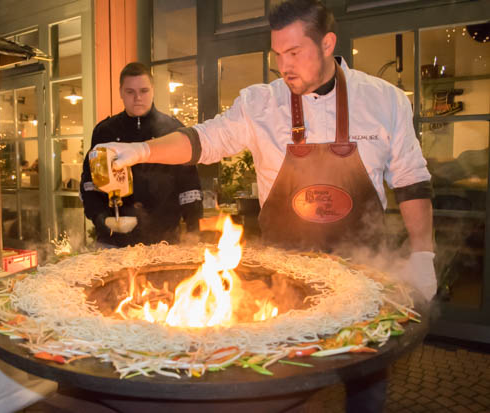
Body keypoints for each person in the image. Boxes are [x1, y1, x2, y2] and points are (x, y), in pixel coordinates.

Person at [95, 1, 436, 411]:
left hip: (361, 273)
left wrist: (423, 254)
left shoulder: (384, 101)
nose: (284, 65)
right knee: (280, 381)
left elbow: (412, 182)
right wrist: (141, 150)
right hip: (284, 275)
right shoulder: (261, 104)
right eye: (278, 54)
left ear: (328, 44)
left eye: (295, 53)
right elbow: (203, 141)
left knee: (364, 381)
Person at [80, 62, 203, 247]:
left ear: (153, 90)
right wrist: (99, 218)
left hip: (165, 241)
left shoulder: (174, 130)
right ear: (121, 92)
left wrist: (194, 234)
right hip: (114, 242)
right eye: (130, 92)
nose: (138, 97)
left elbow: (189, 187)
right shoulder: (104, 132)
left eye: (144, 91)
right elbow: (89, 185)